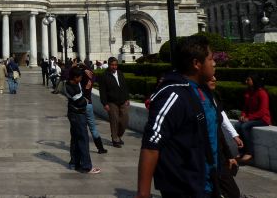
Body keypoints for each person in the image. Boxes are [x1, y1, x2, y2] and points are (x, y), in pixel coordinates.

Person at [136, 34, 219, 198]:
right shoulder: (172, 95)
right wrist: (143, 193)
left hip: (208, 181)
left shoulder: (204, 91)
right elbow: (151, 144)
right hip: (184, 185)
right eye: (211, 59)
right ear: (196, 63)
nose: (214, 63)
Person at [208, 76, 243, 198]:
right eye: (210, 77)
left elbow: (219, 129)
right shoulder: (194, 100)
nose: (214, 78)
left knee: (232, 192)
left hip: (219, 156)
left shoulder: (213, 98)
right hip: (205, 159)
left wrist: (229, 155)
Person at [64, 66, 101, 174]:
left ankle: (74, 163)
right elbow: (80, 102)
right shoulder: (70, 87)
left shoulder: (73, 83)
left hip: (75, 114)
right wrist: (85, 100)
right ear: (75, 77)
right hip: (77, 115)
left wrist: (84, 69)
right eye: (80, 77)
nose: (81, 79)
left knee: (75, 139)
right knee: (83, 139)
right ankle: (86, 166)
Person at [234, 73, 272, 164]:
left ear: (254, 81)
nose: (246, 81)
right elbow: (245, 108)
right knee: (238, 125)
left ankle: (249, 152)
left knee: (244, 126)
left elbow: (263, 111)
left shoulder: (262, 93)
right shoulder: (249, 93)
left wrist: (249, 118)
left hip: (263, 119)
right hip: (252, 118)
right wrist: (243, 115)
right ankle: (242, 151)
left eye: (248, 80)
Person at [98, 57, 129, 148]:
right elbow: (102, 91)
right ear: (109, 65)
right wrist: (105, 103)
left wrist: (127, 98)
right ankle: (115, 139)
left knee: (125, 120)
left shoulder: (120, 73)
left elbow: (124, 86)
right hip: (111, 102)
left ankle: (118, 135)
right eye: (112, 65)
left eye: (115, 65)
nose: (114, 67)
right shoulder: (104, 76)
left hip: (123, 100)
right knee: (114, 120)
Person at [80, 63, 107, 154]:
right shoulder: (90, 80)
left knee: (81, 127)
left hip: (80, 104)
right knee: (93, 128)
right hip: (88, 104)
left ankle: (82, 147)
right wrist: (86, 67)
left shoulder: (80, 81)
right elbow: (93, 75)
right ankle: (100, 148)